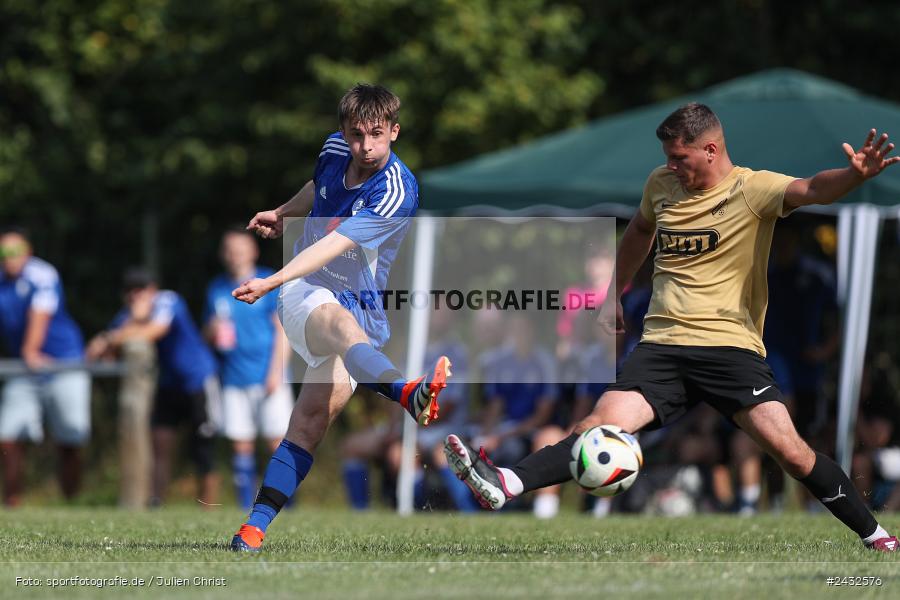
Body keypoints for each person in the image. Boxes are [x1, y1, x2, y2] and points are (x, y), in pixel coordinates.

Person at [444, 103, 899, 551]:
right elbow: (640, 231)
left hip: (730, 350)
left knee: (792, 453)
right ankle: (505, 482)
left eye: (679, 157)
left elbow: (814, 189)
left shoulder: (753, 189)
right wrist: (613, 294)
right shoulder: (661, 185)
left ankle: (876, 535)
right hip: (661, 347)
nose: (670, 166)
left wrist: (854, 176)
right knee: (597, 426)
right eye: (667, 157)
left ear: (710, 149)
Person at [229, 84, 451, 551]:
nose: (365, 146)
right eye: (355, 135)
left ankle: (253, 529)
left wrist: (269, 277)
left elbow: (337, 242)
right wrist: (284, 213)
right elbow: (320, 187)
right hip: (306, 290)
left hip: (360, 306)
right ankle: (405, 391)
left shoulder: (395, 190)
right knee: (337, 325)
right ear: (342, 132)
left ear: (394, 131)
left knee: (308, 424)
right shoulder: (333, 151)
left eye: (376, 135)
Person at [87, 268, 220, 507]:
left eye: (140, 291)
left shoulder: (168, 300)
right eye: (130, 292)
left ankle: (208, 507)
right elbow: (109, 347)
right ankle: (157, 502)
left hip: (197, 380)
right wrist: (111, 338)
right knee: (160, 444)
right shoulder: (129, 313)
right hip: (169, 384)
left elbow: (152, 331)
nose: (135, 297)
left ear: (152, 290)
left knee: (202, 448)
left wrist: (114, 335)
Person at [204, 227, 294, 510]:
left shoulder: (266, 281)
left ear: (253, 251)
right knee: (240, 444)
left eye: (240, 249)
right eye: (229, 250)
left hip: (268, 376)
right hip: (233, 376)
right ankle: (247, 508)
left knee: (277, 442)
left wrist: (275, 372)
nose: (235, 255)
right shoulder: (217, 289)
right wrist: (212, 329)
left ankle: (284, 507)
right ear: (223, 255)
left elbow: (283, 331)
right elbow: (206, 335)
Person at [0, 227, 90, 506]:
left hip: (63, 363)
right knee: (7, 437)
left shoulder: (42, 274)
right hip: (26, 368)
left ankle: (71, 504)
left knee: (70, 441)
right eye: (3, 253)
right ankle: (12, 505)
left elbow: (40, 316)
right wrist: (27, 356)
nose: (8, 258)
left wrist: (29, 350)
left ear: (28, 252)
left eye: (14, 251)